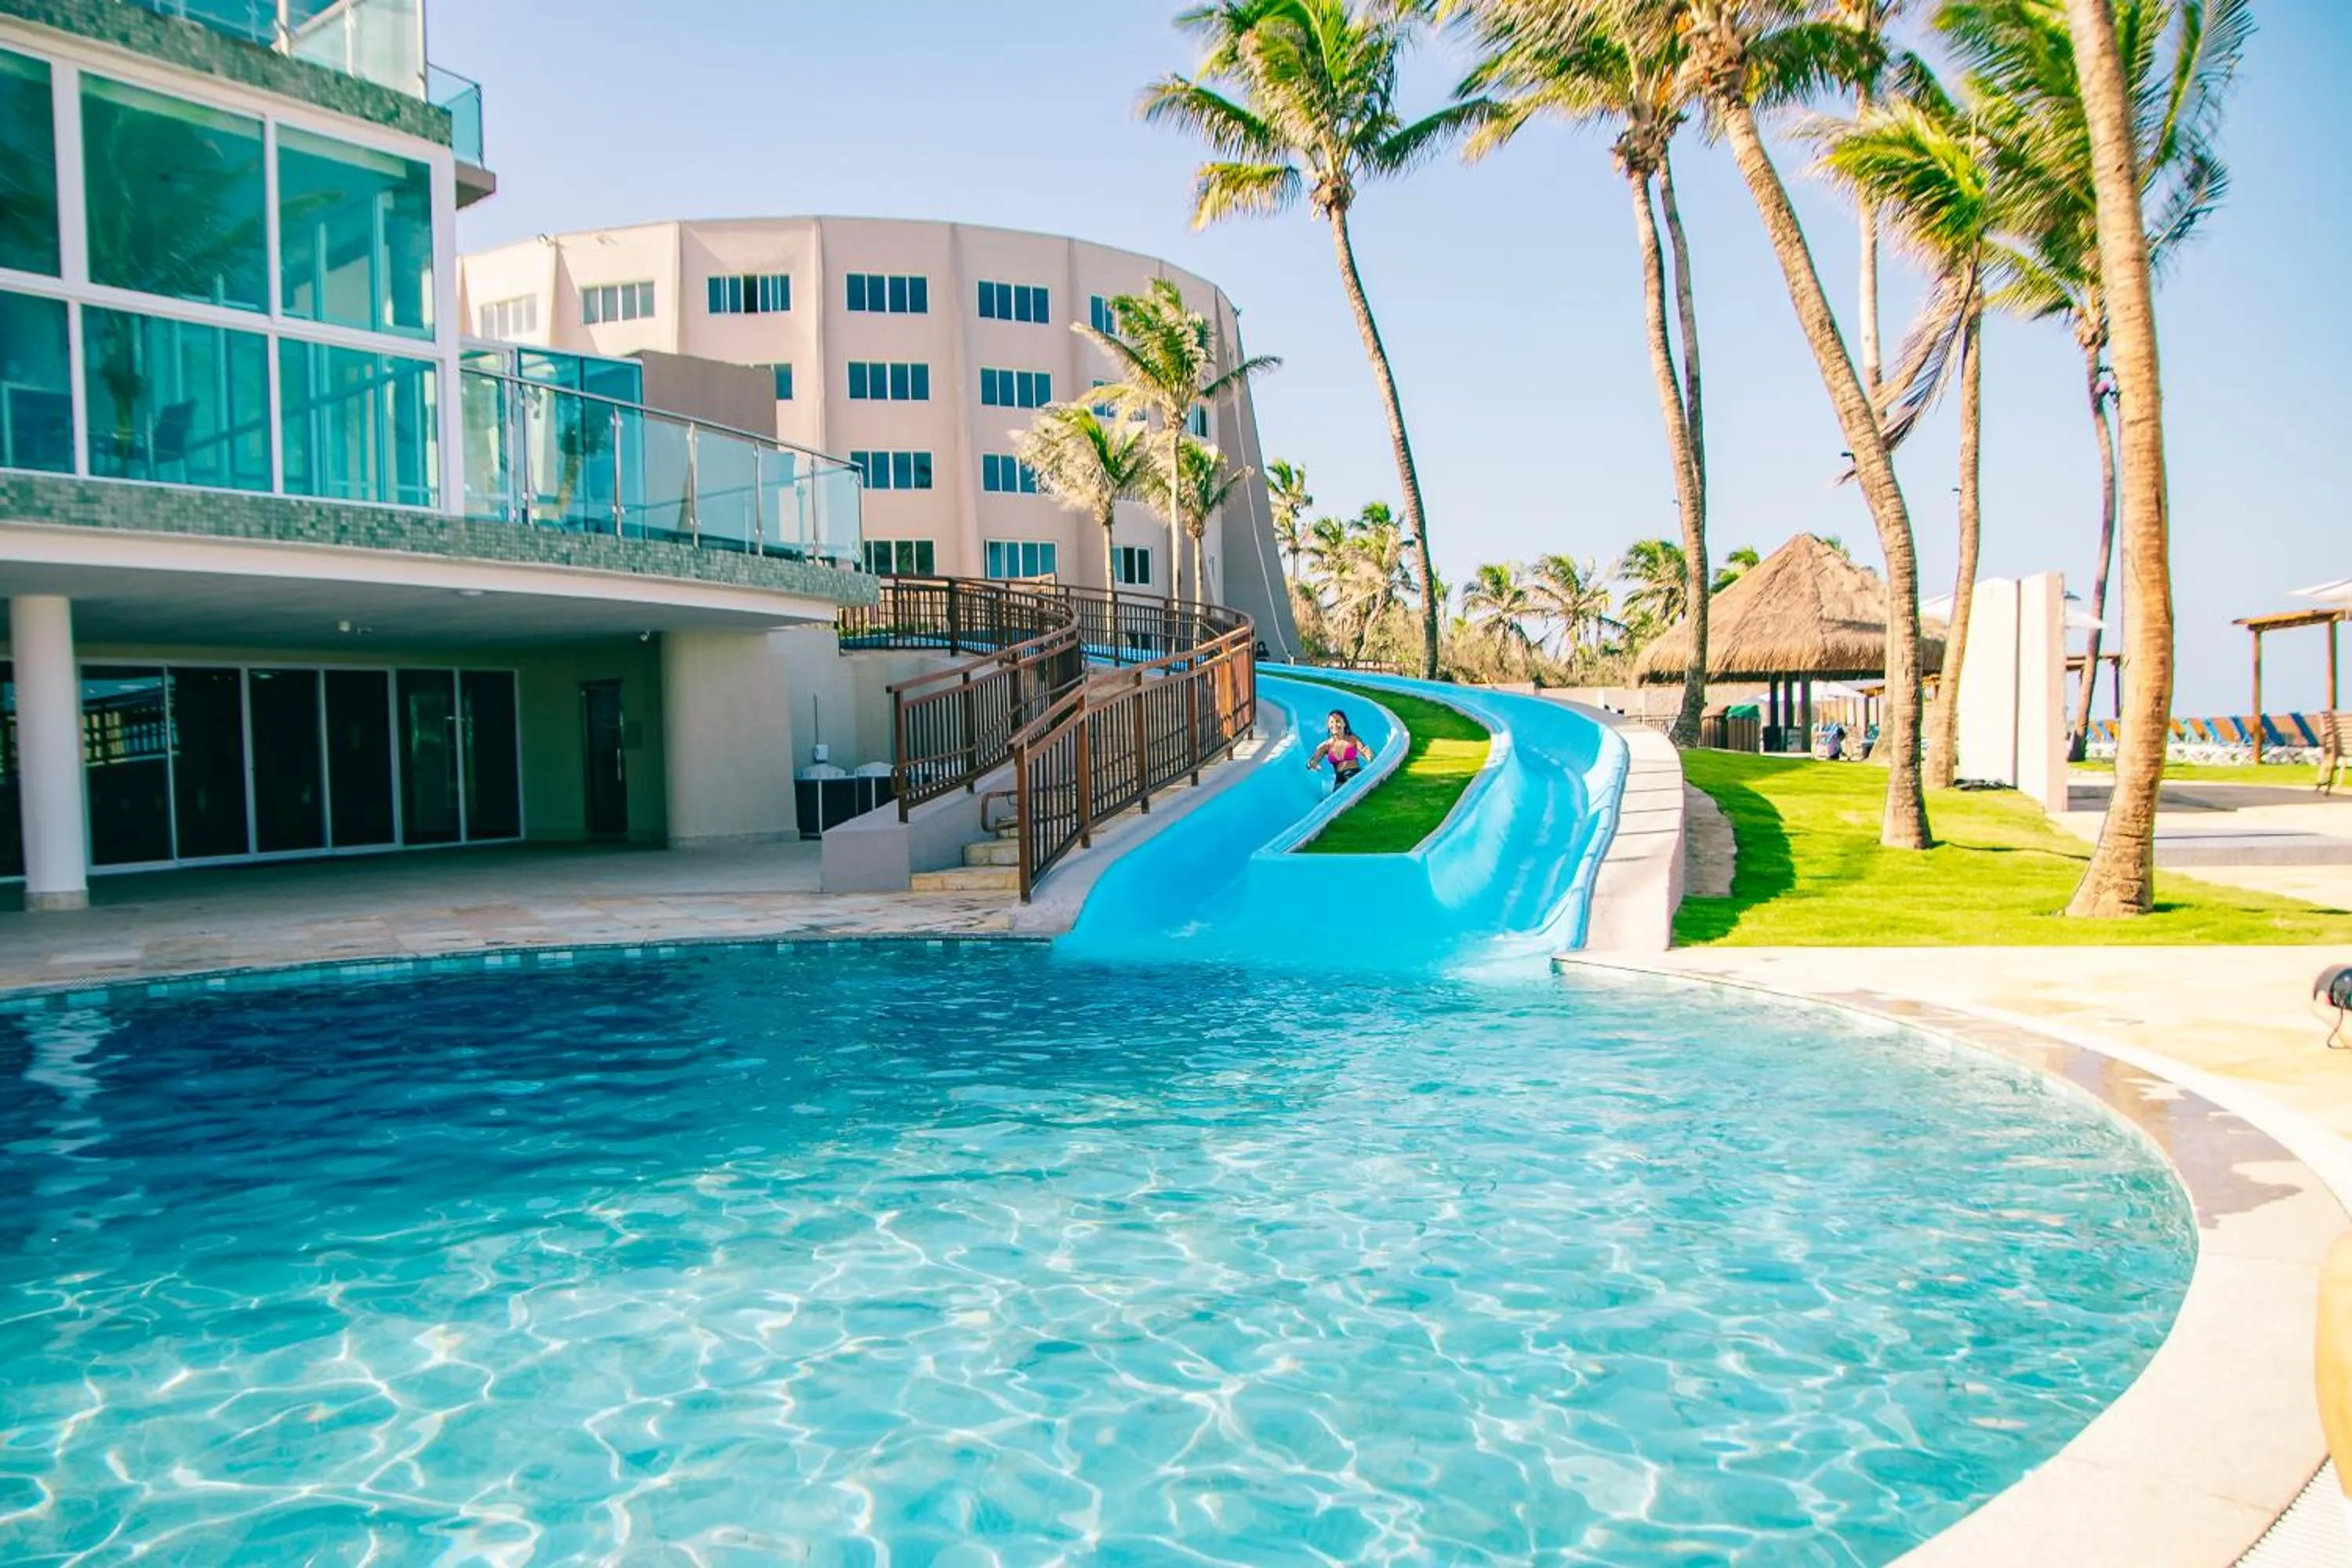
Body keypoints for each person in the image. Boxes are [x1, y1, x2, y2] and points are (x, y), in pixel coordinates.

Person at [1307, 709, 1374, 788]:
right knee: (1338, 791)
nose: (1335, 725)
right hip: (1340, 778)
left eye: (1338, 721)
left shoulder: (1352, 739)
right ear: (1328, 725)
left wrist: (1369, 756)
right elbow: (1314, 760)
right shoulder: (1326, 745)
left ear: (1344, 724)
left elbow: (1364, 751)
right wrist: (1313, 764)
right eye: (1332, 722)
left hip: (1355, 774)